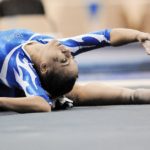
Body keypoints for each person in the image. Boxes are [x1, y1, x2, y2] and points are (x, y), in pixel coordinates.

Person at [0, 28, 150, 113]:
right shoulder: (64, 47)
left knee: (74, 93)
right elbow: (107, 36)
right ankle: (134, 95)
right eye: (72, 58)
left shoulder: (19, 64)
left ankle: (132, 96)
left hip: (8, 92)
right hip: (23, 88)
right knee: (74, 93)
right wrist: (139, 35)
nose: (68, 54)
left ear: (44, 67)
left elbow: (42, 104)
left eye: (64, 61)